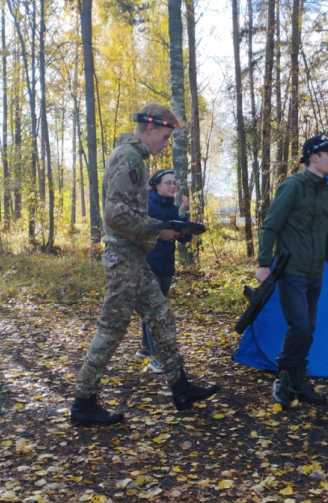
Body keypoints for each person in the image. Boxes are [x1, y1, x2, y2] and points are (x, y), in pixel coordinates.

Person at [71, 103, 219, 425]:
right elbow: (115, 215)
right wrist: (158, 230)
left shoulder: (132, 157)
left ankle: (181, 388)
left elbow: (128, 213)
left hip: (134, 257)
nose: (165, 144)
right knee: (112, 328)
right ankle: (83, 402)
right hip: (123, 258)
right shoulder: (129, 158)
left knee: (161, 316)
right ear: (150, 128)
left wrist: (161, 228)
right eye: (164, 137)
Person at [256, 134, 328, 408]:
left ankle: (298, 381)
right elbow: (269, 226)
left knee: (308, 328)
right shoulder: (293, 186)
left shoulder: (327, 193)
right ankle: (283, 376)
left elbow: (326, 234)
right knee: (298, 326)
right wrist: (264, 264)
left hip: (314, 273)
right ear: (314, 157)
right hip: (292, 270)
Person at [135, 169, 192, 373]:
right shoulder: (147, 205)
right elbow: (138, 230)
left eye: (175, 183)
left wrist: (182, 213)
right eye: (168, 183)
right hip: (147, 263)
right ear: (157, 185)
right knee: (156, 310)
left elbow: (185, 238)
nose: (172, 186)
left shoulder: (174, 208)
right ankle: (156, 358)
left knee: (153, 309)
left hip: (167, 266)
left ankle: (144, 348)